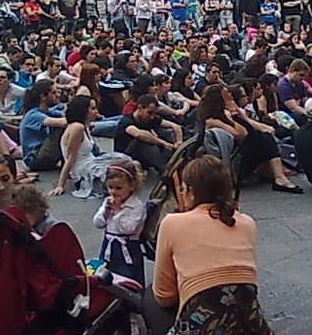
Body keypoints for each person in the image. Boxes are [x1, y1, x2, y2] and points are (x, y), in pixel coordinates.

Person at [144, 155, 274, 335]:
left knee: (150, 298)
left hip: (204, 319)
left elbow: (164, 295)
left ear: (191, 192)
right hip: (248, 320)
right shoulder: (247, 222)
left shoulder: (172, 223)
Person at [49, 95, 132, 198]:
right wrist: (60, 185)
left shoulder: (83, 126)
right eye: (93, 108)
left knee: (128, 162)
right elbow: (70, 158)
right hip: (85, 174)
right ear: (83, 111)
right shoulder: (77, 128)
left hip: (92, 164)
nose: (96, 111)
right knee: (127, 170)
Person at [92, 160, 147, 284]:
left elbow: (128, 228)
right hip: (109, 245)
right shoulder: (108, 203)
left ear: (131, 186)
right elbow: (97, 223)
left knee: (128, 279)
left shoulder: (137, 207)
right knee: (107, 277)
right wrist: (105, 212)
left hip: (127, 248)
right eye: (110, 187)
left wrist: (117, 212)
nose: (114, 192)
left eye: (119, 188)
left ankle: (131, 299)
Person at [114, 94, 182, 172]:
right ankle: (164, 170)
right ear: (140, 108)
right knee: (143, 140)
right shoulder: (126, 121)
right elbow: (138, 134)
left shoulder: (150, 118)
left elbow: (175, 126)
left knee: (169, 133)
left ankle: (174, 160)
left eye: (154, 113)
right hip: (125, 158)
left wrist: (179, 142)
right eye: (149, 113)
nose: (152, 117)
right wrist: (163, 143)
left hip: (142, 157)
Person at [19, 79, 68, 171]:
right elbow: (63, 122)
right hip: (35, 159)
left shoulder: (47, 111)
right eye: (53, 93)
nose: (57, 95)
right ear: (43, 97)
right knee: (63, 128)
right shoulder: (33, 114)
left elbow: (63, 115)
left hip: (43, 155)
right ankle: (67, 166)